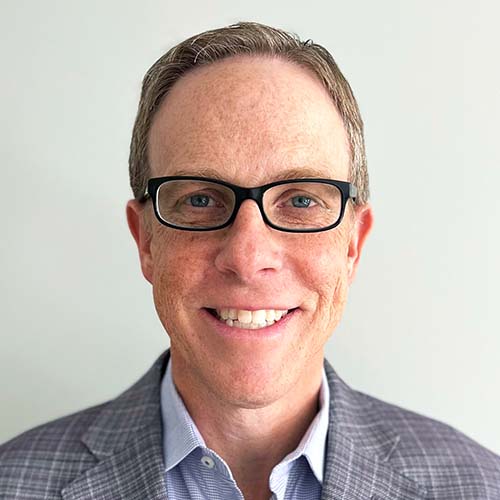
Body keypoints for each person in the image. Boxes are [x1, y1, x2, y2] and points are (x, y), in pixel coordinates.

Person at [1, 21, 499, 500]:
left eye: (300, 200)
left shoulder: (480, 487)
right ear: (146, 241)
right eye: (200, 199)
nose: (248, 256)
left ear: (353, 244)